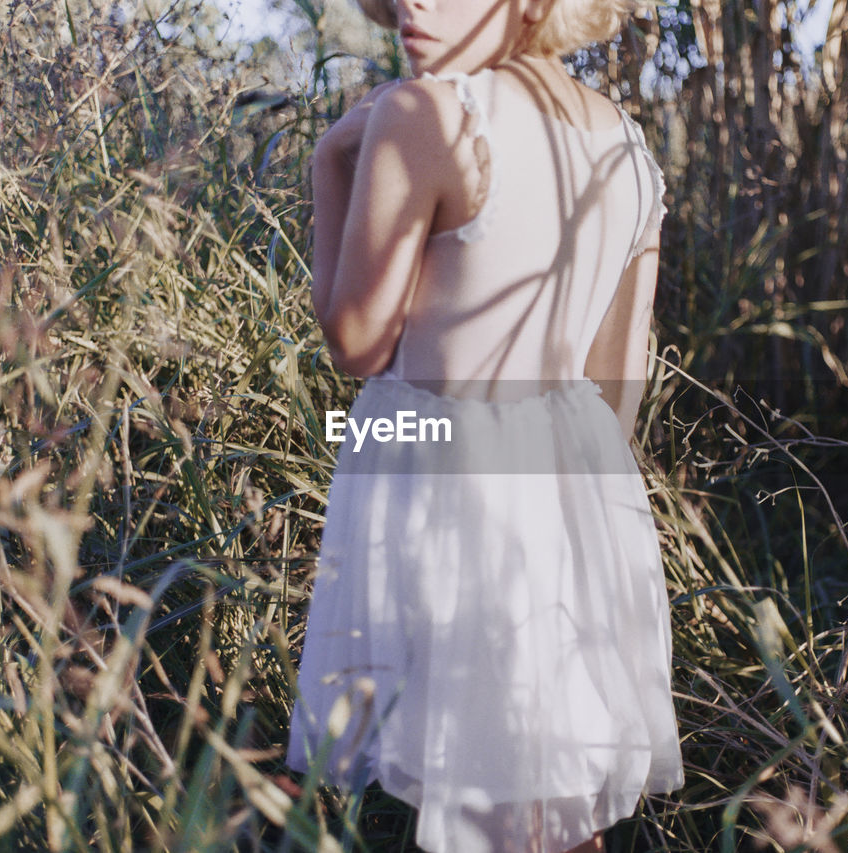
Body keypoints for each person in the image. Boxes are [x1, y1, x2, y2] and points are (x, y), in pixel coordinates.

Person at [285, 0, 685, 850]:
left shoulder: (420, 112)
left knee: (491, 809)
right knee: (551, 801)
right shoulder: (628, 145)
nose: (412, 4)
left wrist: (329, 161)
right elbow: (618, 385)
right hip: (574, 493)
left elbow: (354, 343)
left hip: (444, 485)